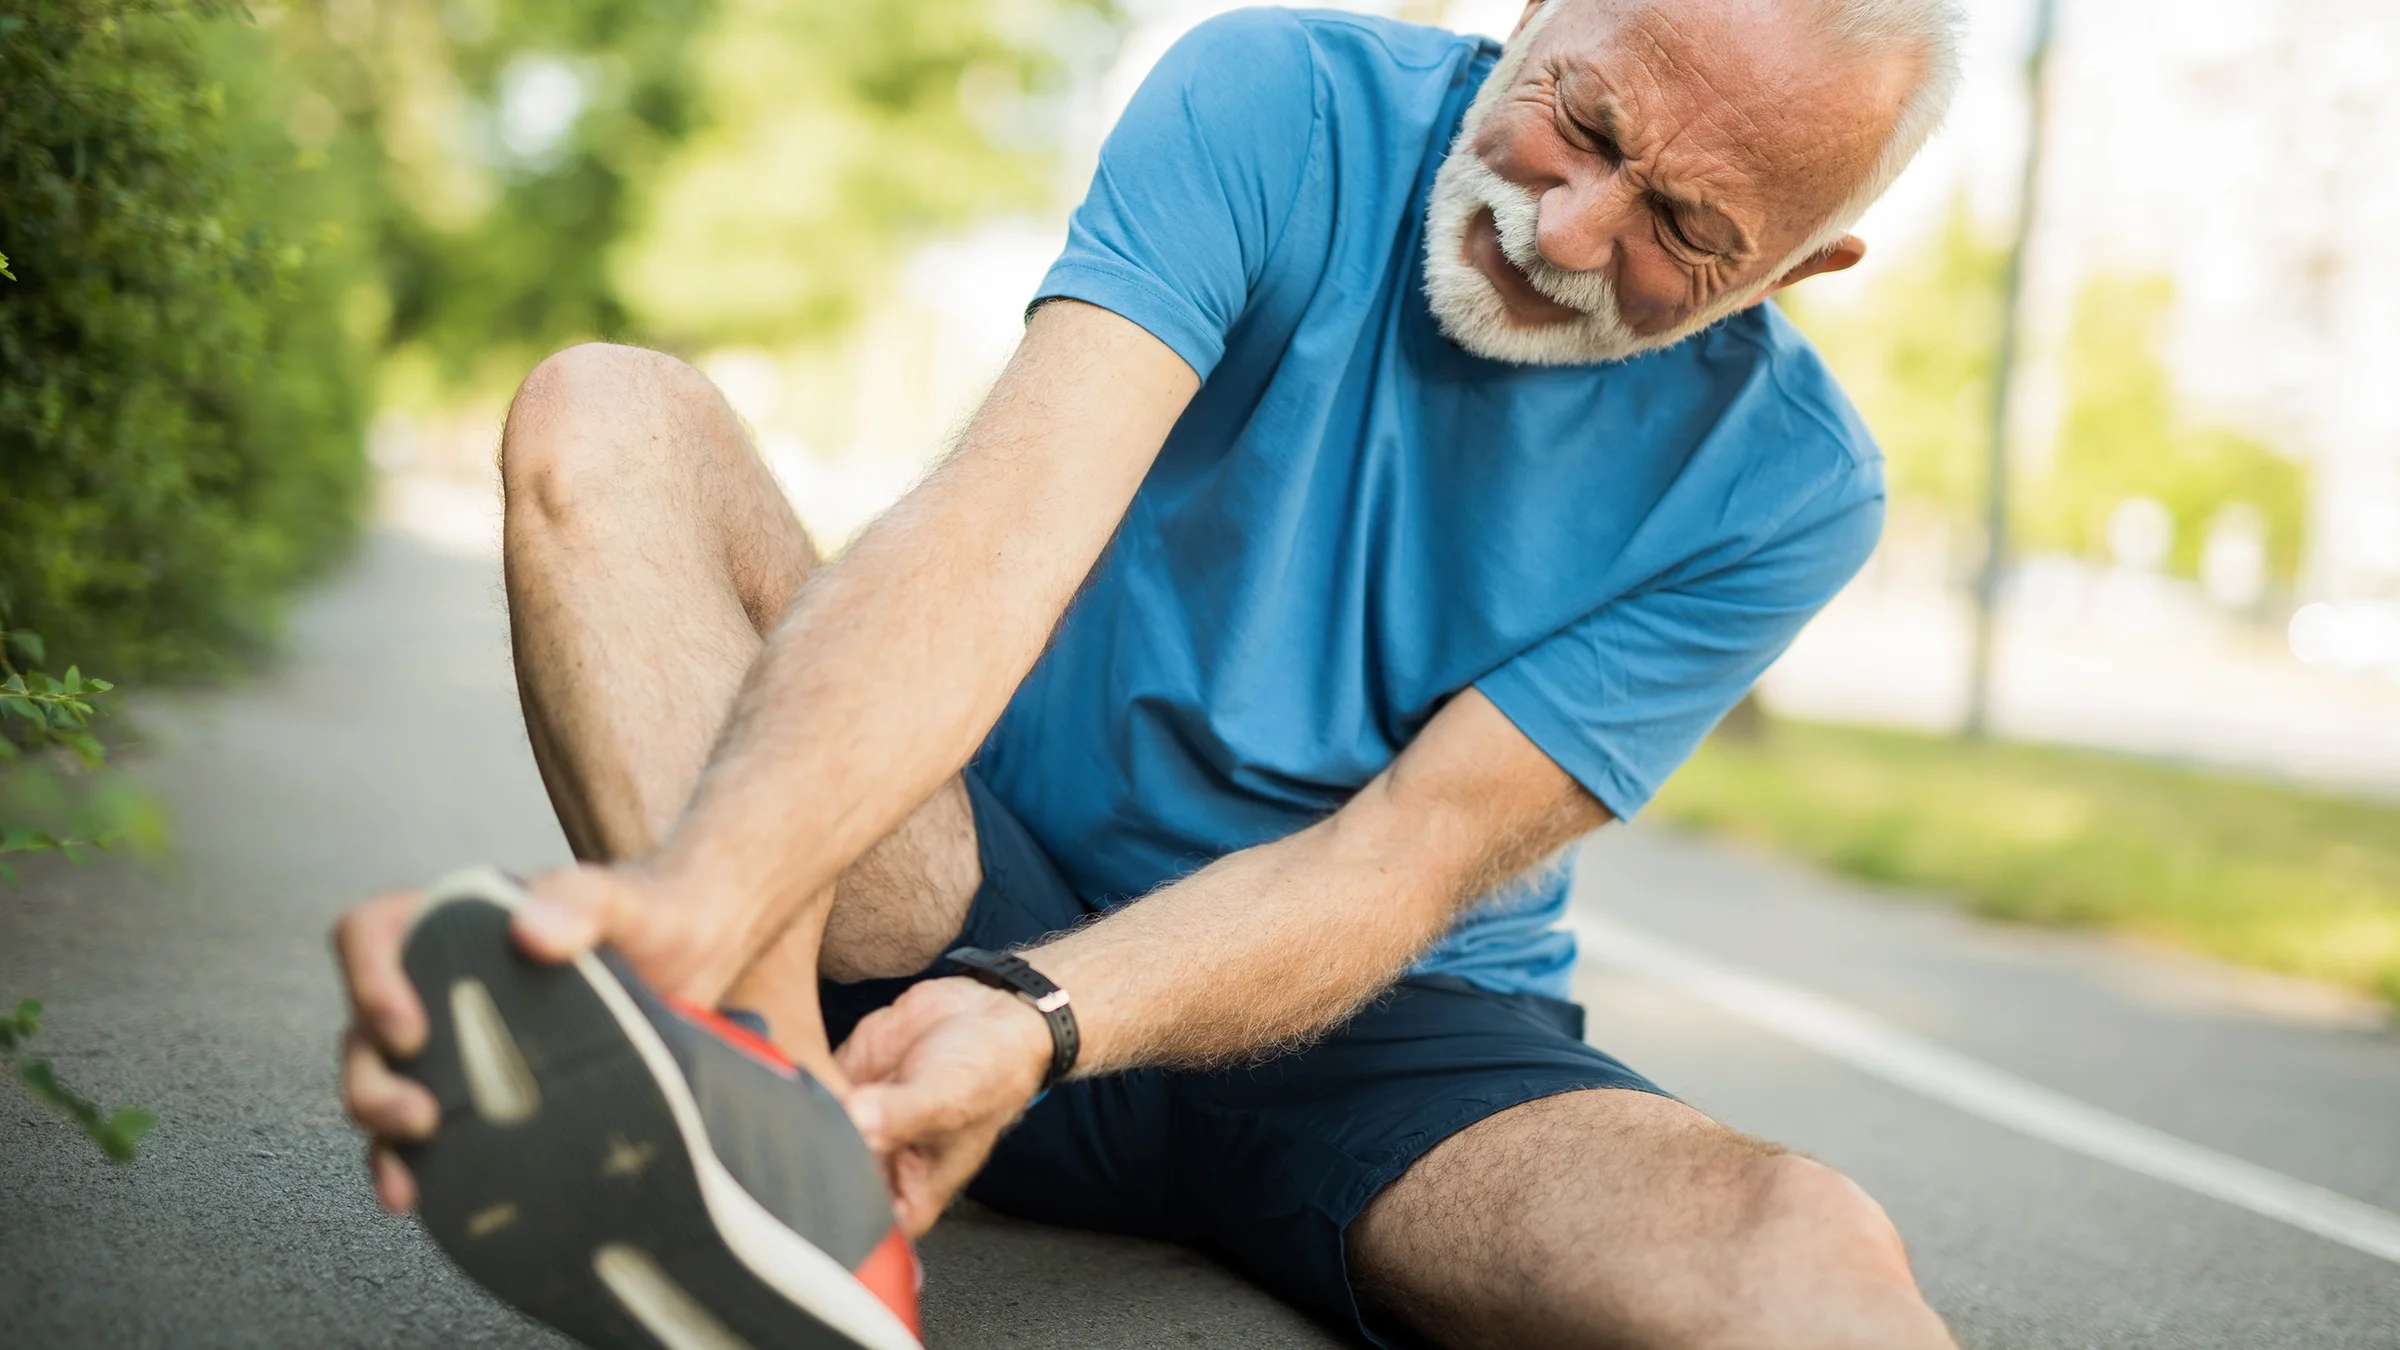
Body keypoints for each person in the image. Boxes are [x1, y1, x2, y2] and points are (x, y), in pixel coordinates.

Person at [336, 0, 1971, 1346]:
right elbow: (996, 531)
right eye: (1588, 122)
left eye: (1684, 228)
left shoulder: (1793, 489)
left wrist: (1047, 1018)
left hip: (1382, 1031)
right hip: (965, 889)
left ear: (1796, 270)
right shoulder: (1276, 99)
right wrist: (709, 891)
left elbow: (1393, 859)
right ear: (1533, 13)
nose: (1566, 228)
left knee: (1806, 1252)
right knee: (607, 411)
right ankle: (788, 1180)